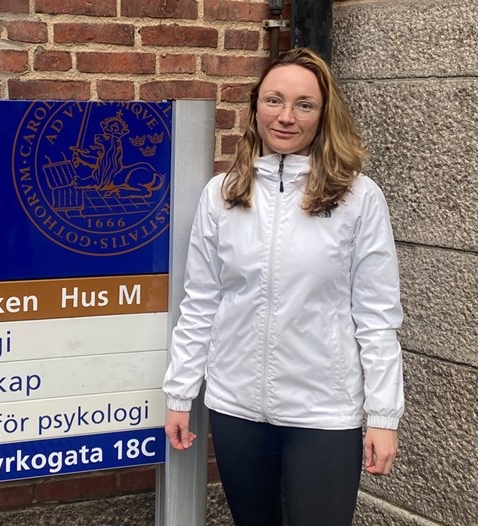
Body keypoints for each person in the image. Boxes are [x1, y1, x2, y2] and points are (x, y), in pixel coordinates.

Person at [162, 47, 404, 526]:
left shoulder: (358, 198)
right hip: (236, 408)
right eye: (274, 100)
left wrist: (382, 414)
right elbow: (202, 302)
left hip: (324, 411)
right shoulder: (223, 194)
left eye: (304, 105)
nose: (286, 117)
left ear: (323, 114)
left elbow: (377, 317)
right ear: (254, 108)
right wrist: (179, 394)